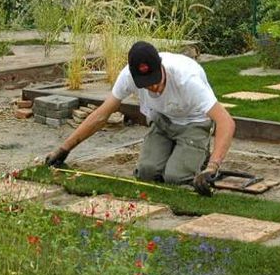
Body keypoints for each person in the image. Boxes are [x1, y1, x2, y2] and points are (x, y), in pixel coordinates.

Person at [45, 41, 235, 196]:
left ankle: (200, 157)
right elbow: (101, 114)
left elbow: (226, 122)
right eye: (146, 84)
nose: (153, 88)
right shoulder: (127, 75)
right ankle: (178, 154)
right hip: (162, 121)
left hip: (193, 123)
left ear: (160, 66)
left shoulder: (187, 78)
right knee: (146, 173)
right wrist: (64, 148)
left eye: (155, 80)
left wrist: (212, 167)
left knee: (175, 178)